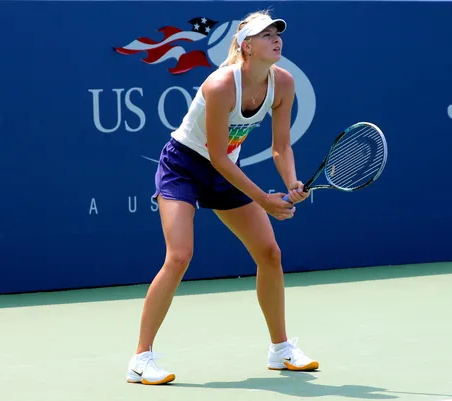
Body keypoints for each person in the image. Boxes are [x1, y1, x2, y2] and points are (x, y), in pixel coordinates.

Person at [126, 10, 319, 385]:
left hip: (227, 168)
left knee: (269, 253)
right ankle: (140, 359)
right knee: (180, 256)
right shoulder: (219, 85)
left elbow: (280, 146)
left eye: (278, 34)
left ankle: (281, 350)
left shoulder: (284, 83)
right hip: (184, 166)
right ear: (246, 46)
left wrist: (292, 181)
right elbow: (215, 156)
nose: (276, 39)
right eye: (266, 35)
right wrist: (264, 198)